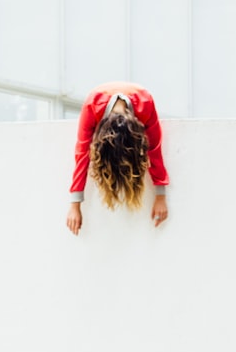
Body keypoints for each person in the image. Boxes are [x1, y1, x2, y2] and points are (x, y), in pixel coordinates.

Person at [66, 81, 169, 236]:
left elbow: (154, 148)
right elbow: (82, 153)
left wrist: (160, 196)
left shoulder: (145, 103)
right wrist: (75, 205)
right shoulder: (92, 105)